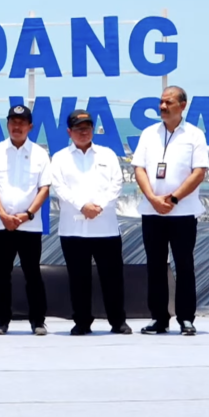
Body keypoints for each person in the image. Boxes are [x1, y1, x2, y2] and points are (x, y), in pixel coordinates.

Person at [131, 85, 209, 336]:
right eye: (161, 102)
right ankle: (159, 318)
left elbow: (199, 172)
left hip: (183, 213)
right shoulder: (148, 133)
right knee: (155, 266)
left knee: (184, 265)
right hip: (152, 211)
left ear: (182, 106)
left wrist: (174, 198)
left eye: (169, 102)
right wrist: (153, 199)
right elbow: (139, 169)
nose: (163, 107)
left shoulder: (194, 135)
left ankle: (186, 318)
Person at [48, 109, 130, 335]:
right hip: (73, 228)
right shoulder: (60, 157)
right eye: (78, 129)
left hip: (106, 228)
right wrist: (82, 205)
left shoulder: (107, 155)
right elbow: (59, 188)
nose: (83, 132)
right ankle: (82, 321)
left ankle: (118, 321)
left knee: (112, 278)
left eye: (87, 128)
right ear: (69, 131)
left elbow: (117, 184)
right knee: (78, 279)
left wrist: (100, 205)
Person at [0, 105, 51, 336]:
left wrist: (27, 214)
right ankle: (1, 321)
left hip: (30, 225)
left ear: (30, 126)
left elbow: (44, 188)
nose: (17, 126)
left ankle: (38, 321)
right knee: (1, 275)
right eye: (13, 122)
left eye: (22, 122)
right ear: (7, 124)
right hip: (2, 224)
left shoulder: (40, 154)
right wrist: (3, 215)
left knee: (33, 275)